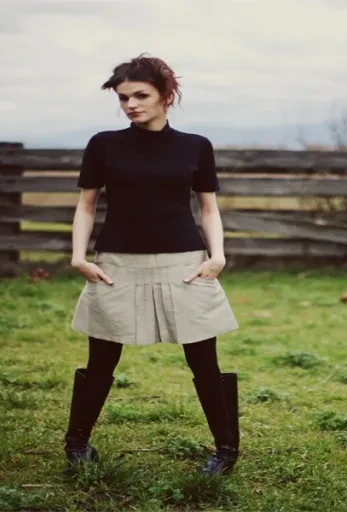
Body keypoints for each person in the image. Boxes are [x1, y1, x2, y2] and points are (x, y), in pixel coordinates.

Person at [63, 54, 240, 478]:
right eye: (124, 98)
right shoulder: (104, 144)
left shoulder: (196, 146)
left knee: (204, 361)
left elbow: (209, 208)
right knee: (102, 360)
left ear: (167, 96)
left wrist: (217, 256)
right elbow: (86, 206)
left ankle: (226, 451)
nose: (130, 105)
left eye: (140, 95)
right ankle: (76, 445)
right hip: (117, 265)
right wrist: (78, 257)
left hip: (185, 264)